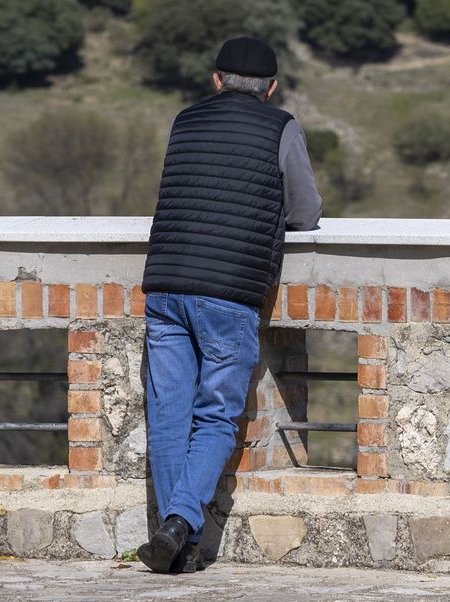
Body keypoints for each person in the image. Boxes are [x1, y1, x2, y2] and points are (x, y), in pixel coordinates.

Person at [136, 35, 323, 574]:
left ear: (216, 80)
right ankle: (179, 524)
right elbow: (306, 212)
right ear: (272, 88)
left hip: (166, 286)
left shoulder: (185, 121)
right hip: (229, 291)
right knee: (217, 415)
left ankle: (178, 544)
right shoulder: (281, 127)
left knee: (168, 414)